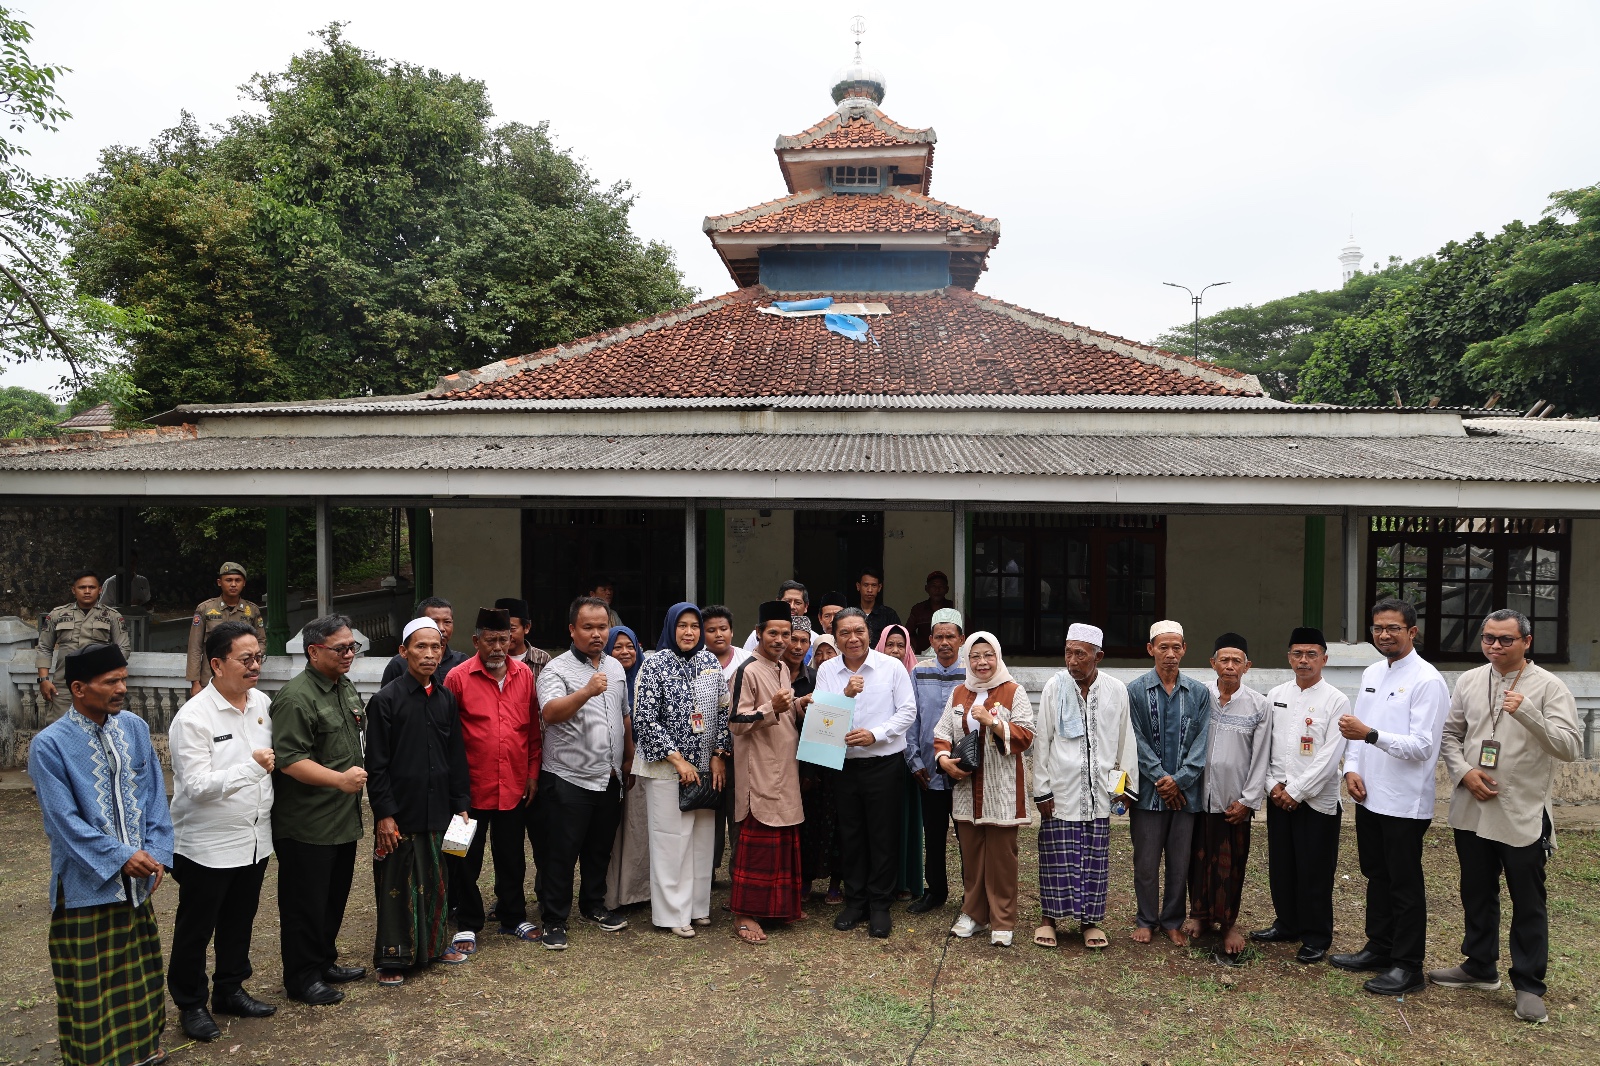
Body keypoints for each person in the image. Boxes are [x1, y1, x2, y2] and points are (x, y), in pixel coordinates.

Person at [1430, 608, 1581, 1024]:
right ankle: (1479, 966)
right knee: (1476, 891)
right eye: (1489, 638)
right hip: (1473, 804)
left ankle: (1529, 985)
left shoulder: (1549, 687)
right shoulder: (1470, 680)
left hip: (1521, 810)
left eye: (1506, 640)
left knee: (1528, 901)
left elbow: (1570, 747)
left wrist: (1528, 713)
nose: (1496, 646)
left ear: (1526, 642)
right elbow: (1450, 735)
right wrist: (1463, 773)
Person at [33, 644, 173, 1066]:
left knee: (140, 976)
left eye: (123, 678)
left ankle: (142, 1050)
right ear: (78, 688)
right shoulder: (49, 745)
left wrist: (156, 852)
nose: (122, 688)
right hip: (84, 888)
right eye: (111, 681)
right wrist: (120, 858)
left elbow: (154, 798)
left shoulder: (132, 727)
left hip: (136, 886)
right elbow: (63, 822)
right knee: (90, 986)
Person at [1331, 597, 1450, 996]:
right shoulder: (1371, 671)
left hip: (1404, 801)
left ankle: (1408, 965)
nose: (1384, 634)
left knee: (1404, 882)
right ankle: (1379, 947)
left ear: (1412, 632)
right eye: (1378, 628)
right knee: (1376, 876)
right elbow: (1354, 732)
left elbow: (1421, 747)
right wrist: (1350, 769)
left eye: (1393, 628)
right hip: (1369, 794)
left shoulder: (1427, 680)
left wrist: (1370, 735)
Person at [167, 621, 278, 1043]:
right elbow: (195, 786)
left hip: (253, 837)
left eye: (258, 657)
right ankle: (191, 1003)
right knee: (196, 927)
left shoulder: (262, 702)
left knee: (240, 920)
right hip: (206, 845)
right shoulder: (193, 718)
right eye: (245, 659)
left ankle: (230, 988)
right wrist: (253, 766)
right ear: (216, 664)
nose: (255, 666)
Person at [365, 617, 472, 985]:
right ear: (404, 652)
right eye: (421, 647)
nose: (429, 654)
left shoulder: (445, 698)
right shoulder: (385, 700)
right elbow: (376, 764)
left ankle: (437, 945)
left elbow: (455, 756)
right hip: (402, 811)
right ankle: (393, 958)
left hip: (440, 808)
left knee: (437, 879)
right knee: (398, 884)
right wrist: (385, 814)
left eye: (436, 647)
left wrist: (461, 803)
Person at [271, 613, 369, 1005]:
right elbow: (289, 759)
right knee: (304, 904)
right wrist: (339, 780)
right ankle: (302, 977)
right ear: (314, 651)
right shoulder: (297, 697)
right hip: (307, 822)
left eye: (352, 647)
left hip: (341, 818)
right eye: (341, 647)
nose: (349, 654)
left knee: (333, 897)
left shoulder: (342, 687)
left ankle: (324, 960)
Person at [534, 596, 631, 950]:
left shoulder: (616, 667)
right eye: (587, 627)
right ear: (572, 629)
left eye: (602, 627)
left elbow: (624, 715)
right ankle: (554, 919)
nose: (596, 634)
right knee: (561, 851)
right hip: (568, 776)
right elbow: (551, 713)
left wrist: (628, 759)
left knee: (599, 848)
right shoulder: (556, 669)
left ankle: (593, 905)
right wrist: (587, 691)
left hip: (608, 776)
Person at [443, 608, 542, 952]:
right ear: (476, 641)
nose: (499, 647)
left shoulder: (525, 675)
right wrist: (454, 790)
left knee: (512, 856)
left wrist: (531, 773)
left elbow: (531, 730)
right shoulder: (456, 677)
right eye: (491, 640)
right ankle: (466, 920)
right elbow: (446, 738)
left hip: (512, 784)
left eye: (504, 639)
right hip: (467, 790)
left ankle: (512, 916)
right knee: (460, 855)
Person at [816, 607, 918, 938]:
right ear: (835, 637)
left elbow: (908, 711)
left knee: (883, 834)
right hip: (844, 764)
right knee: (851, 833)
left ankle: (879, 905)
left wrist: (877, 733)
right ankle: (855, 901)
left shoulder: (891, 668)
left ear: (868, 633)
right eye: (844, 633)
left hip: (884, 763)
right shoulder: (828, 670)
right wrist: (844, 696)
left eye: (858, 631)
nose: (853, 638)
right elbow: (821, 720)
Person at [1251, 627, 1350, 965]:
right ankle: (1287, 923)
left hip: (1316, 801)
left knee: (1314, 870)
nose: (1304, 660)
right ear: (1288, 657)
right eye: (1297, 653)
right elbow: (1265, 745)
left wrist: (1296, 791)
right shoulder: (1276, 694)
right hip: (1278, 795)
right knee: (1282, 866)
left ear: (1324, 658)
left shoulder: (1336, 699)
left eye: (1311, 654)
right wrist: (1271, 785)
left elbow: (1330, 756)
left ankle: (1316, 936)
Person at [1032, 623, 1134, 950]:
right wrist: (1042, 788)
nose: (1072, 661)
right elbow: (1043, 739)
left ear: (1098, 656)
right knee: (1055, 856)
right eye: (1068, 652)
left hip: (1100, 792)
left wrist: (1124, 787)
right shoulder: (1054, 686)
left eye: (1081, 654)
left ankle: (1090, 921)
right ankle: (1049, 919)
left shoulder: (1116, 690)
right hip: (1061, 790)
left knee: (1093, 858)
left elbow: (1124, 741)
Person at [632, 602, 730, 937]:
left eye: (694, 626)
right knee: (672, 840)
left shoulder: (709, 662)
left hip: (704, 768)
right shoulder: (654, 663)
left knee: (701, 841)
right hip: (667, 769)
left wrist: (719, 753)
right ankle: (673, 913)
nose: (688, 632)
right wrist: (677, 759)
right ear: (671, 627)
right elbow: (646, 720)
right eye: (682, 625)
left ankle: (697, 906)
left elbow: (722, 710)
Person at [933, 632, 1035, 947]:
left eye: (988, 655)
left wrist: (992, 724)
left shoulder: (1013, 691)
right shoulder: (958, 693)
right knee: (972, 854)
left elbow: (1027, 735)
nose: (981, 662)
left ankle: (1003, 920)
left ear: (998, 657)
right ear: (967, 660)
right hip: (966, 788)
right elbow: (942, 732)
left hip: (1000, 788)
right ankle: (974, 914)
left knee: (1002, 857)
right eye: (975, 656)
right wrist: (943, 758)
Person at [1185, 633, 1271, 964]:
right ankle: (1199, 915)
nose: (1230, 666)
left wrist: (1249, 800)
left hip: (1233, 801)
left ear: (1247, 667)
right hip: (1198, 797)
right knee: (1197, 859)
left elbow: (1261, 756)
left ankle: (1228, 923)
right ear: (1213, 663)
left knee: (1231, 864)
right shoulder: (1198, 696)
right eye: (1224, 659)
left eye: (1237, 660)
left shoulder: (1259, 705)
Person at [1125, 620, 1210, 946]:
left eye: (1177, 647)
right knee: (1145, 862)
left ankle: (1173, 919)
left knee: (1180, 862)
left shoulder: (1198, 693)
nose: (1171, 654)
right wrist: (1163, 780)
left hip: (1185, 796)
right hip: (1148, 794)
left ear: (1185, 649)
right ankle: (1146, 918)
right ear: (1151, 649)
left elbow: (1201, 744)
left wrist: (1181, 781)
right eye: (1164, 647)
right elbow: (1136, 740)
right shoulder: (1134, 691)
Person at [728, 603, 806, 943]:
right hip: (758, 770)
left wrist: (803, 703)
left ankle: (778, 908)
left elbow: (785, 713)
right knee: (758, 845)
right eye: (773, 633)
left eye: (785, 634)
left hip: (785, 768)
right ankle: (745, 914)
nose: (780, 640)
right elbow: (736, 722)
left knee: (781, 842)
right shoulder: (747, 670)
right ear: (758, 633)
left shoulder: (782, 669)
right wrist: (769, 708)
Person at [905, 609, 966, 915]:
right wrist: (914, 760)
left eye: (950, 636)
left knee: (968, 834)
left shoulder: (972, 674)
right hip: (929, 770)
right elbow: (911, 720)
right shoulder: (918, 673)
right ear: (930, 640)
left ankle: (973, 894)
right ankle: (936, 891)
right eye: (938, 636)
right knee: (934, 832)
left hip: (966, 773)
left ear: (961, 640)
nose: (944, 642)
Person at [35, 570, 131, 719]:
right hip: (64, 685)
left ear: (99, 590)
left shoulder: (112, 616)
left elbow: (123, 648)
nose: (87, 591)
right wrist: (43, 680)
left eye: (92, 588)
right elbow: (44, 648)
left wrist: (103, 668)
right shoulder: (58, 614)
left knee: (100, 726)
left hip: (100, 684)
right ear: (74, 590)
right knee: (60, 728)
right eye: (82, 588)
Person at [875, 623, 923, 903]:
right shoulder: (872, 675)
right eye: (889, 644)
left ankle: (905, 880)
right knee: (880, 822)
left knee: (905, 821)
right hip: (878, 759)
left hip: (908, 761)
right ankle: (881, 881)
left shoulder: (915, 675)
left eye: (900, 645)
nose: (894, 650)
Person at [604, 625, 651, 911]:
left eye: (629, 646)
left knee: (637, 830)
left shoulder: (647, 678)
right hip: (609, 767)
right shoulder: (607, 679)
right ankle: (612, 894)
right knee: (613, 832)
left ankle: (636, 892)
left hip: (643, 767)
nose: (624, 652)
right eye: (617, 647)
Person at [703, 605, 750, 875]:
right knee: (707, 815)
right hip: (703, 752)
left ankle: (738, 875)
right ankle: (705, 874)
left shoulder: (746, 661)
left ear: (732, 631)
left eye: (723, 629)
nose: (718, 634)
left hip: (739, 751)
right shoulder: (695, 660)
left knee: (737, 815)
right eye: (711, 630)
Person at [797, 629, 842, 903]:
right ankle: (806, 880)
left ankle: (836, 882)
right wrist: (809, 771)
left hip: (839, 765)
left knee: (836, 826)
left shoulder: (842, 681)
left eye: (830, 652)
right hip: (811, 763)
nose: (824, 657)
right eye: (820, 652)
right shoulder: (811, 681)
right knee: (810, 825)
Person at [186, 562, 267, 696]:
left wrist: (251, 660)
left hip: (241, 677)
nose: (233, 584)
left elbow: (261, 641)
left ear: (244, 583)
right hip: (210, 678)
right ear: (219, 582)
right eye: (229, 580)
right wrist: (195, 682)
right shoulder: (205, 609)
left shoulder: (251, 610)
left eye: (238, 580)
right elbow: (194, 647)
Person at [381, 598, 470, 685]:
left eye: (447, 622)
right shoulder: (399, 664)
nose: (442, 628)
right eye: (434, 622)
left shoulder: (462, 662)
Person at [743, 580, 808, 651]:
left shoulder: (814, 638)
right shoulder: (757, 635)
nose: (792, 606)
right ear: (777, 602)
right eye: (787, 602)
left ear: (806, 607)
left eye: (798, 603)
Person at [497, 597, 551, 678]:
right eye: (500, 629)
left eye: (512, 629)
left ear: (526, 627)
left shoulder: (542, 660)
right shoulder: (492, 659)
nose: (505, 635)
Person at [904, 571, 953, 655]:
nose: (937, 590)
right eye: (933, 586)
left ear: (947, 589)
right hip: (923, 657)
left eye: (941, 586)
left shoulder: (953, 608)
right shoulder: (918, 609)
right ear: (927, 588)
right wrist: (919, 648)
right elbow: (908, 633)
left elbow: (967, 631)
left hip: (948, 655)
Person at [854, 567, 900, 645]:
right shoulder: (850, 614)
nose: (869, 590)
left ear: (879, 587)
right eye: (866, 585)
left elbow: (898, 639)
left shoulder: (889, 614)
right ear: (858, 586)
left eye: (874, 585)